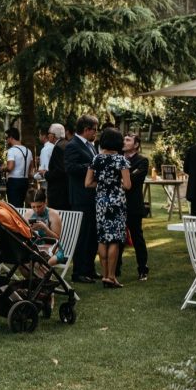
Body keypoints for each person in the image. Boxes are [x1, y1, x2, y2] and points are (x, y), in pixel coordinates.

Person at [84, 127, 132, 288]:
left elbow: (87, 183)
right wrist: (115, 183)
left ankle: (104, 275)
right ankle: (111, 276)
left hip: (101, 202)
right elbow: (128, 185)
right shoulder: (121, 160)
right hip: (116, 202)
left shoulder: (96, 159)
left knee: (103, 237)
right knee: (115, 239)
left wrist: (103, 184)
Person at [64, 114, 100, 283]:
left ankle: (90, 268)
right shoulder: (73, 145)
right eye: (95, 129)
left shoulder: (91, 145)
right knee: (82, 236)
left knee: (92, 235)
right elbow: (70, 168)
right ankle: (78, 272)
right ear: (86, 130)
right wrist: (92, 167)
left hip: (92, 196)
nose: (96, 133)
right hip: (80, 196)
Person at [122, 132, 150, 281]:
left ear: (136, 144)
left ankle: (142, 269)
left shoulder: (142, 161)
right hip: (118, 204)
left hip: (133, 204)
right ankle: (116, 269)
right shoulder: (118, 158)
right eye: (124, 140)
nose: (124, 142)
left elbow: (133, 180)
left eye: (128, 140)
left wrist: (122, 180)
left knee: (137, 237)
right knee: (118, 238)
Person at [24, 188, 65, 268]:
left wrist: (45, 229)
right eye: (33, 207)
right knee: (23, 265)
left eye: (39, 206)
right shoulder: (28, 214)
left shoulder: (53, 214)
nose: (36, 210)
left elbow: (57, 238)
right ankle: (36, 280)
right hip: (35, 248)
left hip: (53, 249)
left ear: (45, 202)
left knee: (40, 263)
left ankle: (42, 280)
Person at [4, 127, 33, 207]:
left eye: (7, 138)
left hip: (14, 181)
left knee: (13, 207)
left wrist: (2, 168)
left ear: (11, 138)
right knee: (21, 206)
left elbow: (10, 167)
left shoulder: (12, 150)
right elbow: (31, 170)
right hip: (25, 181)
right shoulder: (28, 151)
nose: (6, 140)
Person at [45, 124, 69, 210]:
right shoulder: (66, 144)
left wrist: (46, 174)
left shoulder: (58, 147)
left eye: (49, 133)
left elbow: (60, 171)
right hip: (65, 191)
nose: (48, 135)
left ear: (54, 135)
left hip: (58, 193)